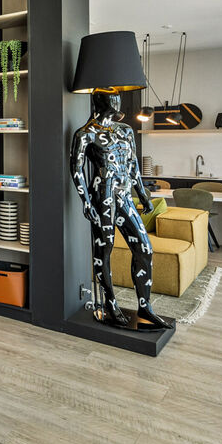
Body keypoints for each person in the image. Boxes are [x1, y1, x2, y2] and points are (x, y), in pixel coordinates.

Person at [70, 90, 173, 330]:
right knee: (103, 251)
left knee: (144, 248)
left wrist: (143, 194)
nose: (116, 100)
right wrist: (85, 202)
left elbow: (133, 164)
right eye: (110, 97)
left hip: (125, 196)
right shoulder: (85, 134)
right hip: (102, 196)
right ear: (99, 100)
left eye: (117, 96)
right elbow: (75, 169)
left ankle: (145, 307)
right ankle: (110, 304)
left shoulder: (125, 130)